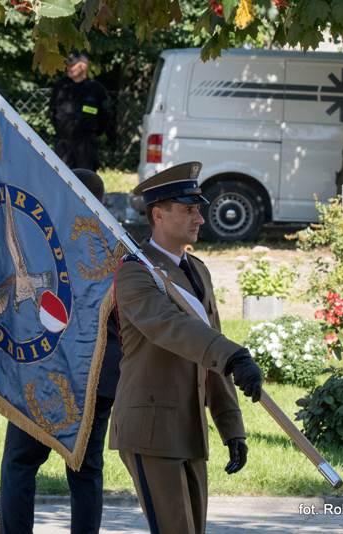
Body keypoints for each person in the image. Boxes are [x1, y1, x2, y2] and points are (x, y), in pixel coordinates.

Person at [110, 161, 263, 534]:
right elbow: (172, 328)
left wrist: (231, 427)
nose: (200, 217)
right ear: (159, 214)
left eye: (199, 208)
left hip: (189, 428)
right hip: (151, 426)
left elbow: (211, 348)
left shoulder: (197, 269)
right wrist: (233, 354)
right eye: (189, 209)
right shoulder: (134, 272)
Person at [0, 168, 122, 534]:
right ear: (101, 201)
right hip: (97, 372)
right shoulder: (119, 244)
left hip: (44, 370)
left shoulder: (42, 239)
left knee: (20, 464)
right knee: (86, 470)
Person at [50, 52, 113, 172]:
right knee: (61, 177)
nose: (68, 68)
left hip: (86, 144)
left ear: (83, 66)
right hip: (63, 144)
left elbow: (105, 116)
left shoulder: (96, 89)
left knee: (86, 179)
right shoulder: (60, 87)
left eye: (72, 65)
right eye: (67, 65)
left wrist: (91, 132)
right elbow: (52, 113)